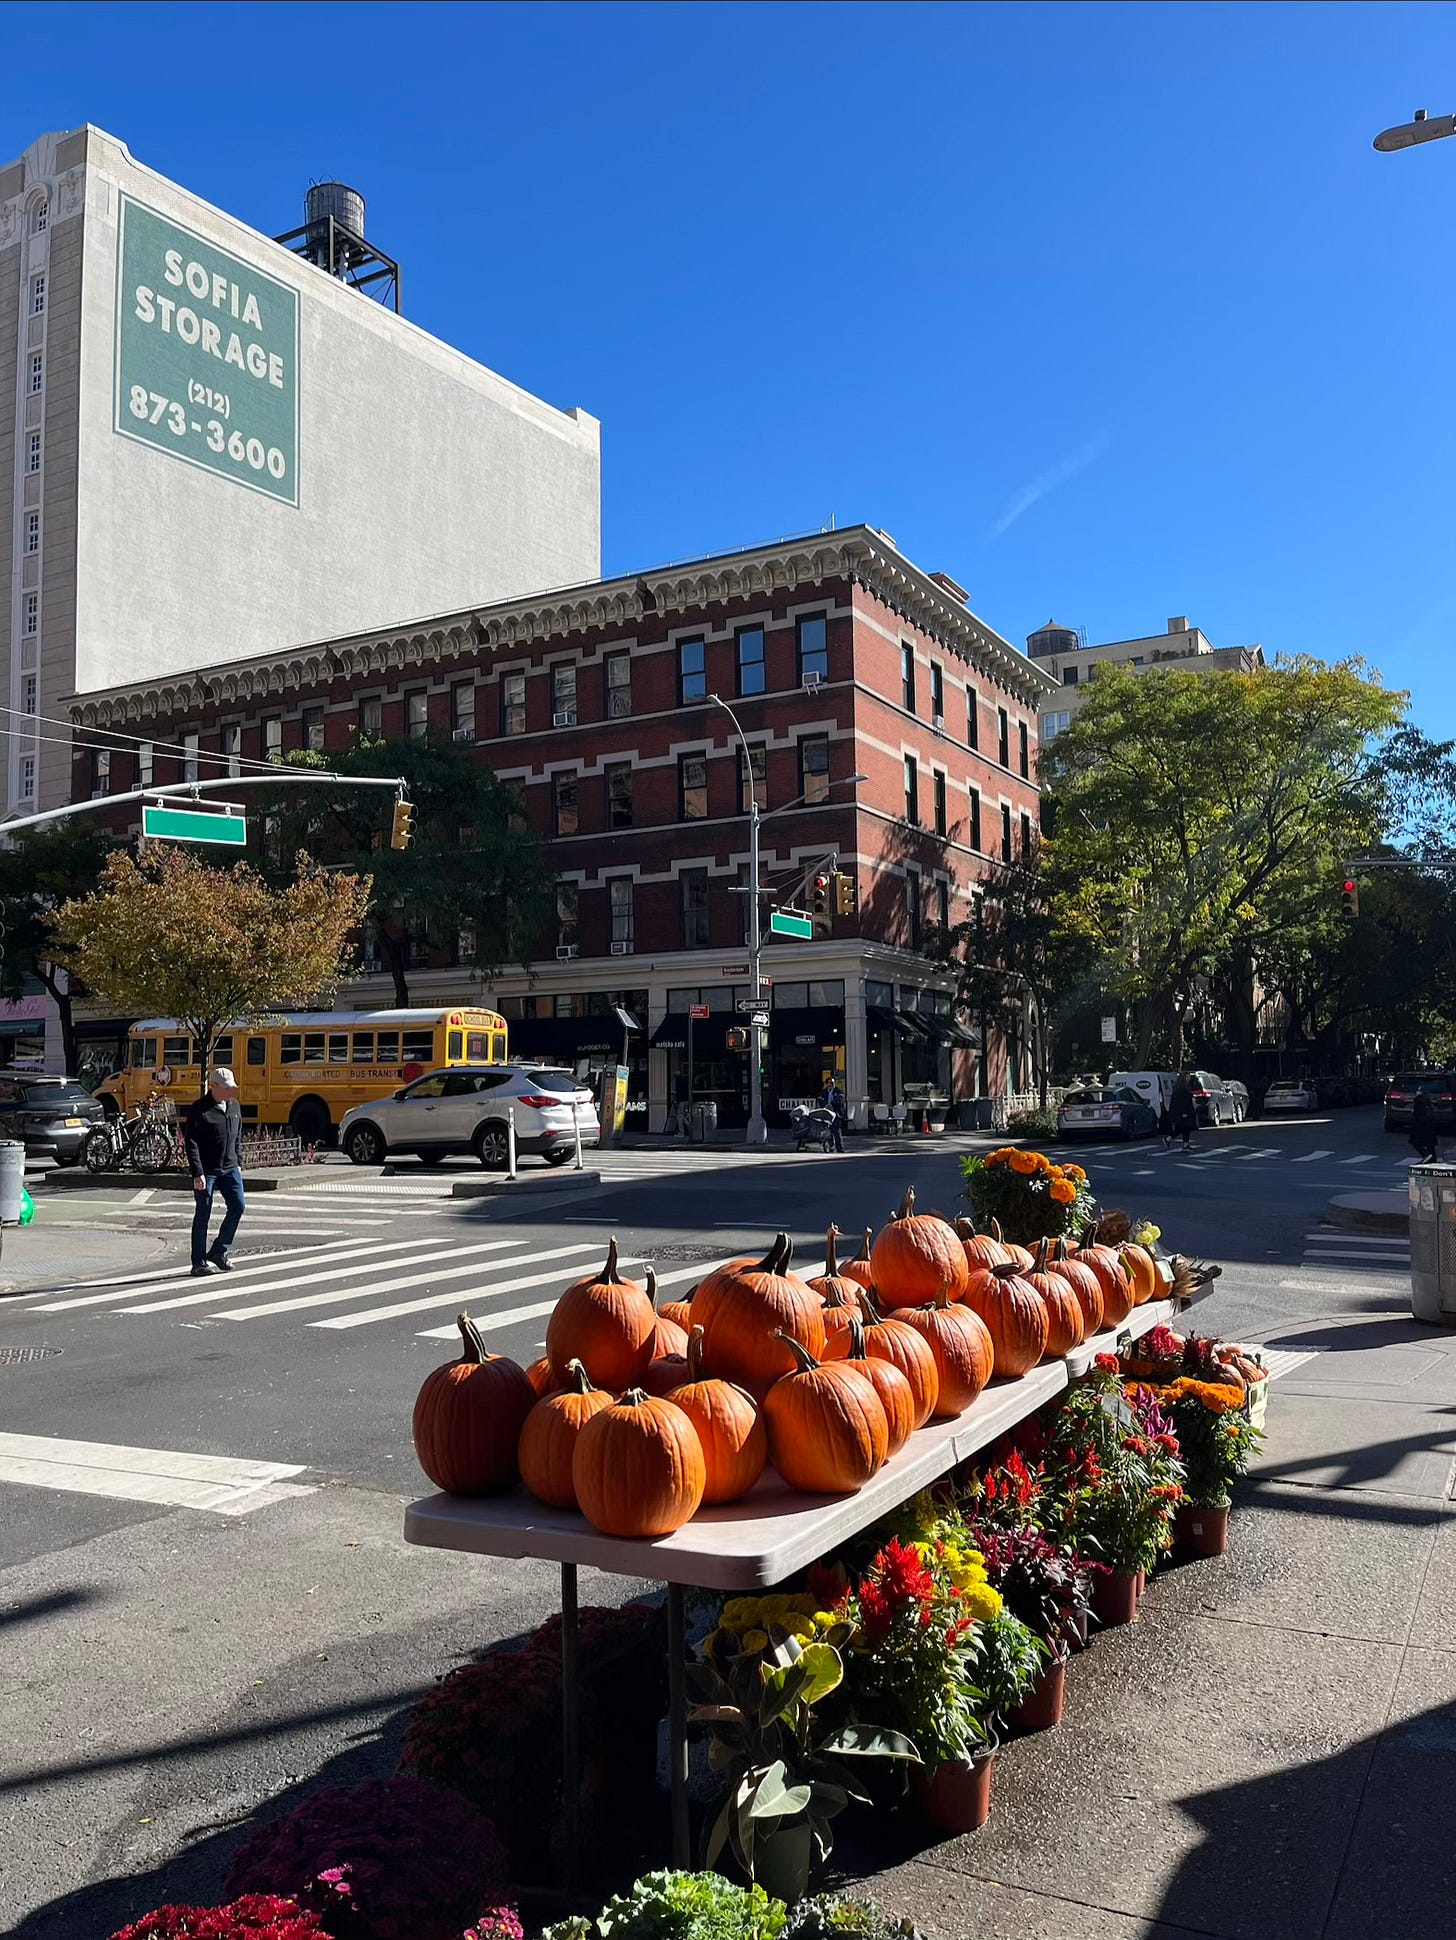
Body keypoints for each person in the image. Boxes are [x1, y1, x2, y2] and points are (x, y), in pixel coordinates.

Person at [185, 1066, 245, 1276]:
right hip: (207, 1170)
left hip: (230, 1168)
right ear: (213, 1087)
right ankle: (199, 1262)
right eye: (226, 1088)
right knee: (203, 1213)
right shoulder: (199, 1109)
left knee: (238, 1206)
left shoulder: (234, 1106)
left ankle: (219, 1251)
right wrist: (197, 1172)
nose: (230, 1092)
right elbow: (191, 1143)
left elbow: (237, 1136)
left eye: (232, 1088)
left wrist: (238, 1161)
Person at [1168, 1070, 1199, 1152]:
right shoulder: (1182, 1090)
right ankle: (1185, 1145)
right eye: (1187, 1076)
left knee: (1181, 1128)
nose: (1189, 1078)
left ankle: (1169, 1139)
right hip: (1184, 1112)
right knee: (1185, 1128)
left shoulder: (1181, 1088)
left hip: (1184, 1111)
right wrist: (1184, 1113)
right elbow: (1182, 1103)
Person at [1410, 1088, 1440, 1164]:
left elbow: (1416, 1113)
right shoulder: (1427, 1100)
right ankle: (1432, 1159)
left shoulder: (1418, 1100)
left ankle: (1427, 1155)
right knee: (1430, 1144)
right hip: (1429, 1125)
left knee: (1415, 1141)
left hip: (1421, 1125)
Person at [821, 1077, 846, 1153]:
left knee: (836, 1130)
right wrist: (825, 1105)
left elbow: (840, 1100)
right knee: (829, 1131)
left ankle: (839, 1148)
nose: (830, 1084)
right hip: (827, 1113)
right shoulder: (824, 1092)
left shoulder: (838, 1091)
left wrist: (832, 1104)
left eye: (832, 1083)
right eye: (828, 1083)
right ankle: (831, 1146)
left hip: (836, 1114)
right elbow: (820, 1099)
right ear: (826, 1084)